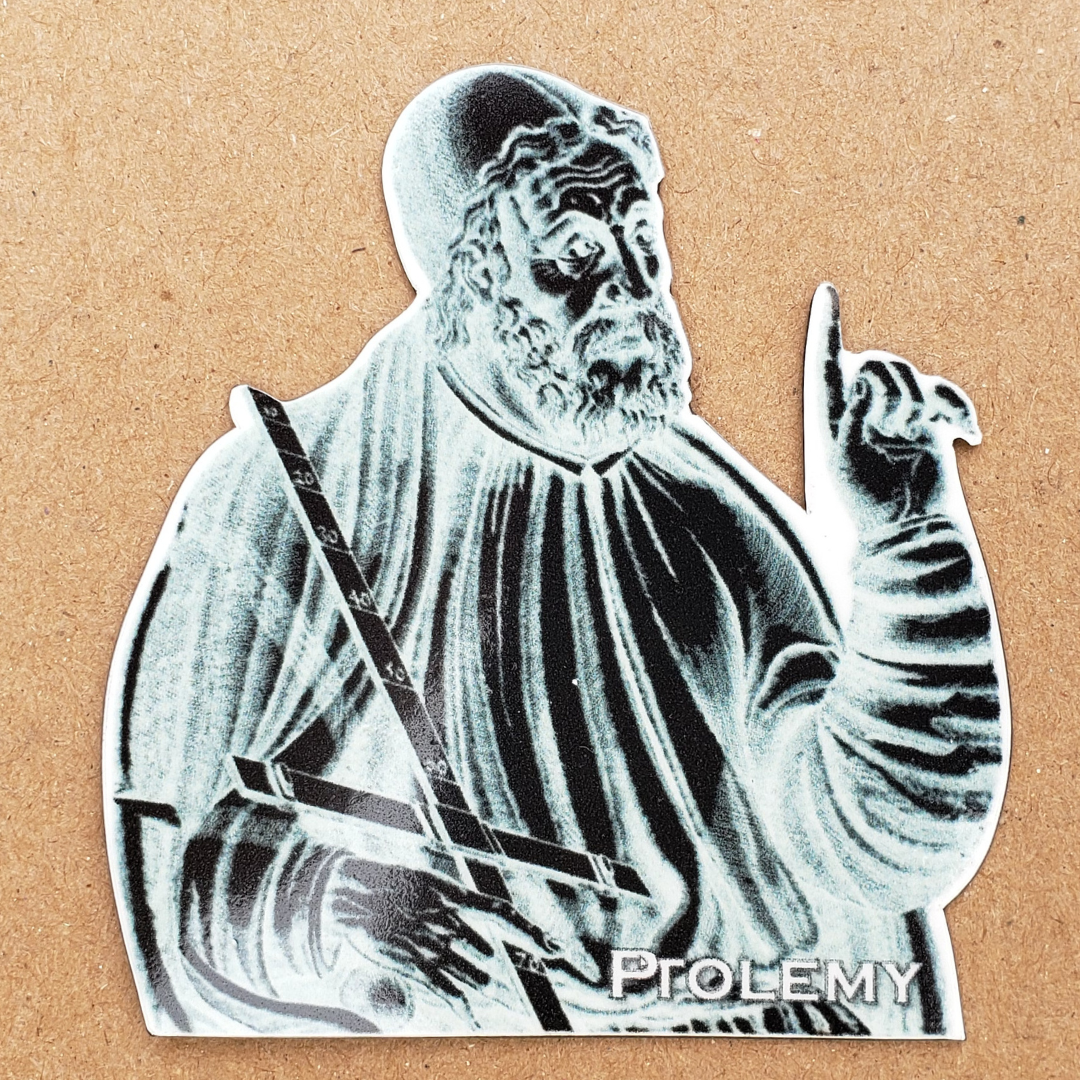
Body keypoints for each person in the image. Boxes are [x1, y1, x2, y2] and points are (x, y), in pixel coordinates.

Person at [104, 66, 1007, 1038]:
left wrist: (909, 546)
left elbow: (878, 846)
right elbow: (176, 866)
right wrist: (326, 905)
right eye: (577, 250)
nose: (632, 288)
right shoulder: (291, 492)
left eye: (640, 238)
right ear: (474, 274)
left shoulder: (704, 509)